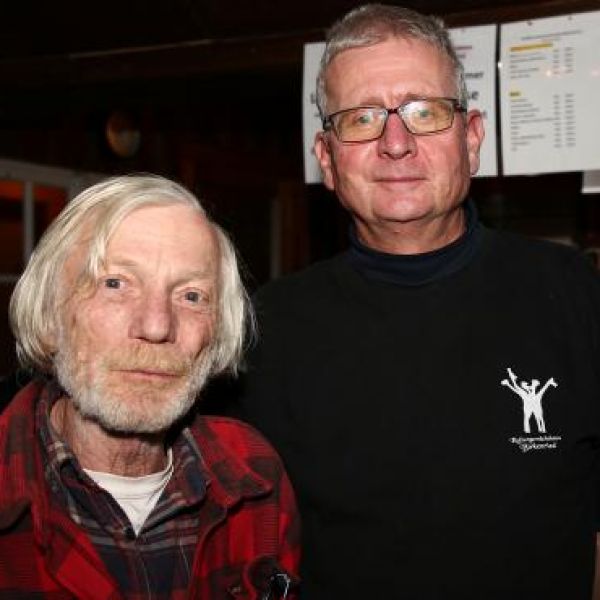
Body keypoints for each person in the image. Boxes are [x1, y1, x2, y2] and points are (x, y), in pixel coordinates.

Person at [233, 4, 600, 599]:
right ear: (327, 159)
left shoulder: (575, 294)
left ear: (471, 139)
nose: (396, 143)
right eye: (361, 118)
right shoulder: (266, 329)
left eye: (424, 112)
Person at [0, 175, 300, 599]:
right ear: (49, 316)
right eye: (115, 284)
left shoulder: (255, 475)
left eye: (191, 296)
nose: (157, 326)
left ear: (217, 331)